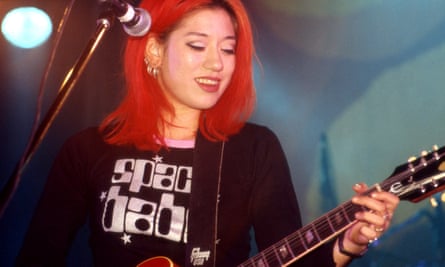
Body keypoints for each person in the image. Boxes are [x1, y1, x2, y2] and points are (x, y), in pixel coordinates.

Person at [16, 0, 400, 266]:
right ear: (153, 50)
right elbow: (38, 256)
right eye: (197, 46)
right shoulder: (88, 148)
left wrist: (348, 244)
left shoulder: (254, 149)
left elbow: (287, 255)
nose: (216, 63)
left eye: (228, 49)